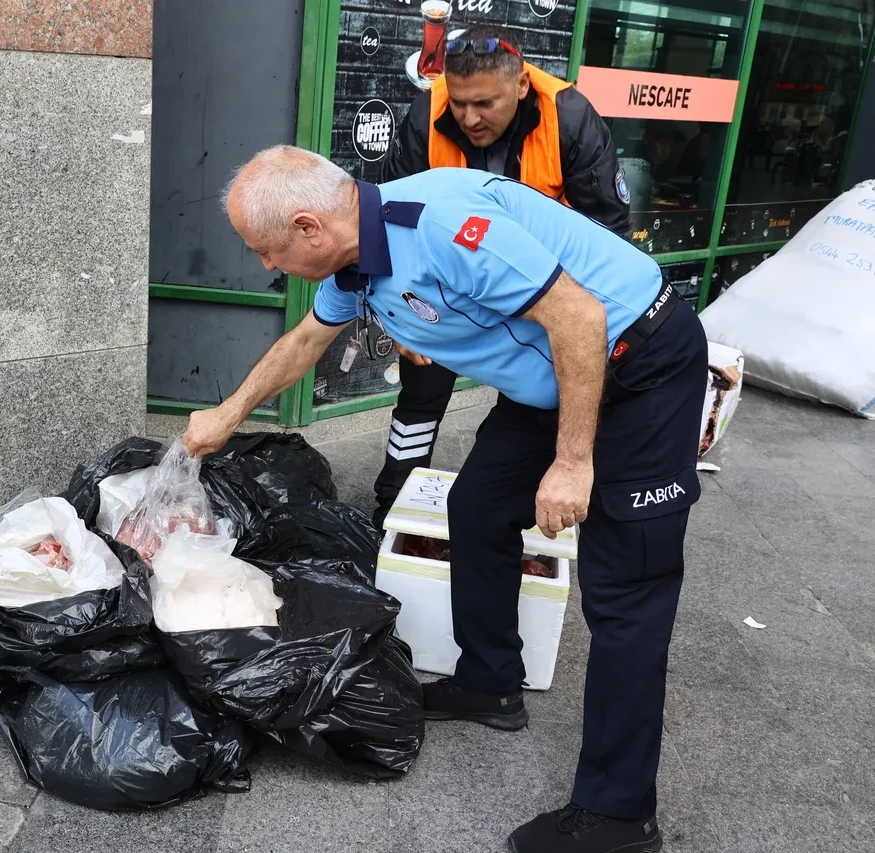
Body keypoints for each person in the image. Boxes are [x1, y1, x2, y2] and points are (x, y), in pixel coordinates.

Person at [184, 145, 707, 853]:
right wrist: (228, 414)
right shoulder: (357, 257)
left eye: (267, 252)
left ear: (308, 227)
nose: (267, 268)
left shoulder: (438, 222)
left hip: (635, 361)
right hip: (550, 379)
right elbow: (309, 338)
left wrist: (573, 461)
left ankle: (619, 814)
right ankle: (490, 679)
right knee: (479, 507)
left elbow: (579, 318)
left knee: (628, 590)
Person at [370, 25, 632, 526]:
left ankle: (539, 502)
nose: (469, 117)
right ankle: (393, 503)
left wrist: (578, 320)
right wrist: (395, 321)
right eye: (460, 102)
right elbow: (386, 217)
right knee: (420, 392)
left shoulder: (569, 116)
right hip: (445, 285)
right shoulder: (427, 114)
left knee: (548, 401)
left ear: (521, 85)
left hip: (545, 289)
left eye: (485, 103)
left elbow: (608, 233)